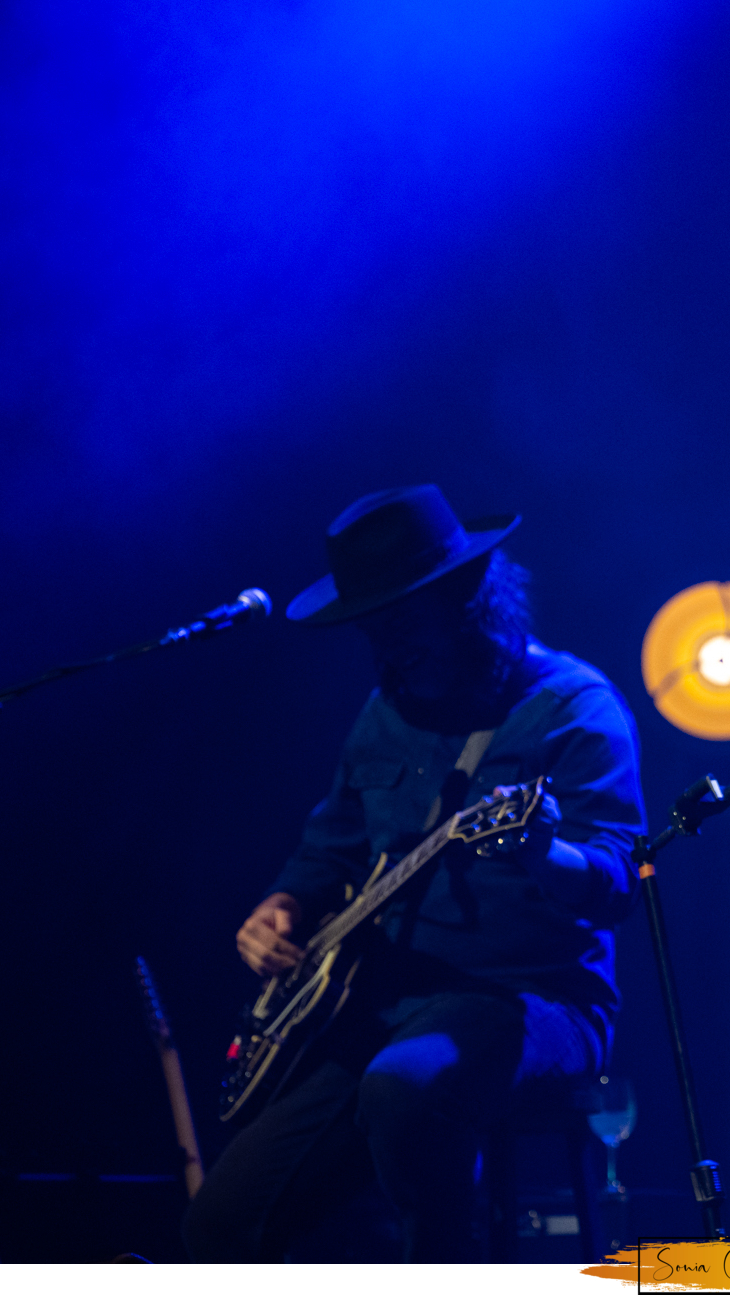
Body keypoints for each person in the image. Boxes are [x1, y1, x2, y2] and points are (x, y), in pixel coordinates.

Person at [185, 485, 643, 1261]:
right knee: (218, 1225)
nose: (389, 645)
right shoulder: (384, 709)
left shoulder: (574, 708)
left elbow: (616, 880)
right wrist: (283, 905)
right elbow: (331, 846)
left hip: (531, 997)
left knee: (404, 1087)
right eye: (374, 626)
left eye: (404, 619)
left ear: (467, 599)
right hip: (383, 999)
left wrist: (543, 853)